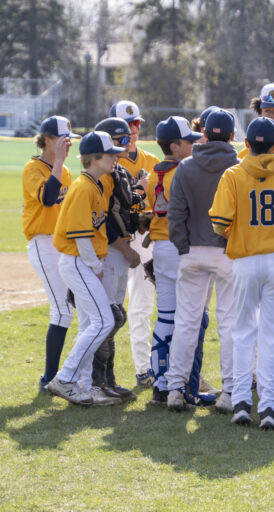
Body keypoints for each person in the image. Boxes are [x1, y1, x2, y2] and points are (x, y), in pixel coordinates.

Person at [209, 117, 274, 429]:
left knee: (243, 331)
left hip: (246, 260)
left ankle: (240, 401)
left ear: (247, 144)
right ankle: (268, 407)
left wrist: (241, 232)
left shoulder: (233, 173)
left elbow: (219, 223)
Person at [164, 109, 240, 414]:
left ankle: (174, 389)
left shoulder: (186, 166)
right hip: (228, 252)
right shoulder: (239, 166)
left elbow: (176, 213)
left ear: (205, 133)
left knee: (186, 322)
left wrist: (183, 247)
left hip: (193, 250)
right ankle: (231, 391)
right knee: (230, 324)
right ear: (232, 136)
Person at [45, 131, 124, 405]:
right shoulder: (83, 187)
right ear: (94, 158)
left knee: (92, 323)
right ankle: (65, 378)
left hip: (84, 262)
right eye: (110, 153)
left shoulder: (97, 184)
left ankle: (83, 384)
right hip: (79, 261)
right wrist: (95, 265)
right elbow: (81, 236)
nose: (116, 157)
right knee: (104, 321)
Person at [146, 116, 215, 407]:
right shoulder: (184, 172)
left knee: (166, 316)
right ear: (174, 146)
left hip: (160, 247)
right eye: (188, 140)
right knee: (192, 319)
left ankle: (161, 382)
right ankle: (184, 382)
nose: (194, 143)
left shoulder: (153, 174)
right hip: (179, 247)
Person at [89, 117, 147, 403]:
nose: (129, 142)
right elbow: (107, 221)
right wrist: (125, 248)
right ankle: (97, 381)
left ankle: (107, 380)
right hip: (110, 250)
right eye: (121, 139)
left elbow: (125, 211)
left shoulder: (118, 171)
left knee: (114, 315)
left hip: (118, 250)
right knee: (108, 318)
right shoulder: (105, 175)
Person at [22, 116, 77, 393]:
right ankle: (49, 379)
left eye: (69, 140)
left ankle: (74, 374)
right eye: (61, 140)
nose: (67, 145)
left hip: (62, 244)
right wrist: (57, 162)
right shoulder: (33, 169)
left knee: (79, 307)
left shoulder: (64, 171)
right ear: (46, 140)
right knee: (62, 310)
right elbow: (46, 198)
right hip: (42, 244)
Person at [109, 100, 161, 387]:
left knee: (142, 305)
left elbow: (159, 204)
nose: (133, 129)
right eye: (127, 125)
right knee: (110, 309)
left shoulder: (152, 162)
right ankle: (102, 376)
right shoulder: (104, 161)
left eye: (136, 123)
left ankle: (145, 369)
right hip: (115, 240)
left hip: (144, 238)